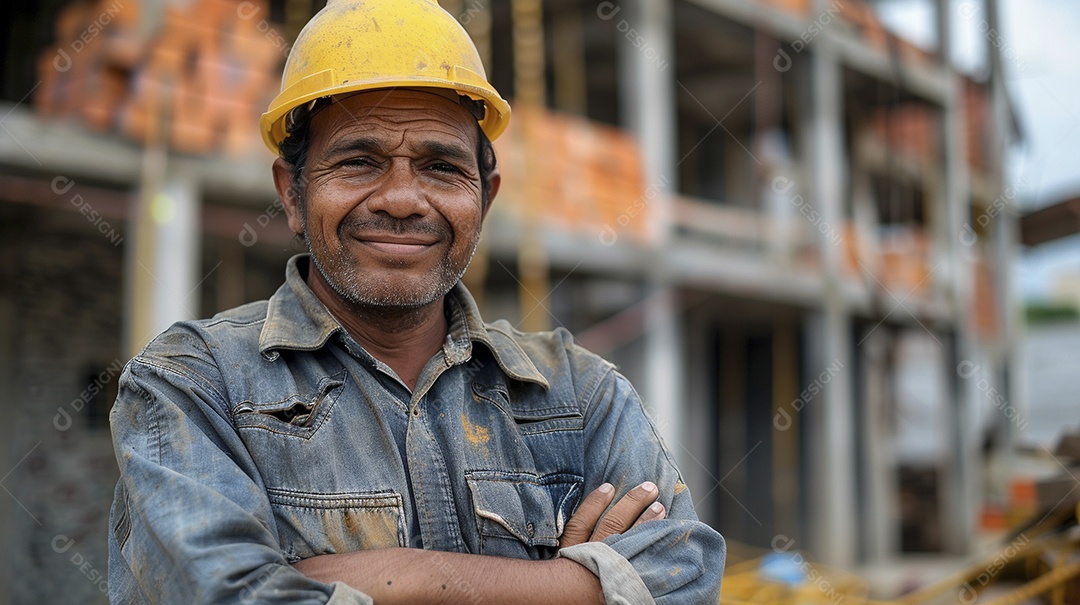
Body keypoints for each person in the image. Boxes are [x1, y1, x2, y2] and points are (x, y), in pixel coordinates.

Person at [107, 1, 726, 603]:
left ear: (484, 198)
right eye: (358, 162)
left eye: (439, 167)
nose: (402, 199)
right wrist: (578, 586)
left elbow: (684, 578)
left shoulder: (581, 396)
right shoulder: (194, 384)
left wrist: (397, 575)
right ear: (291, 193)